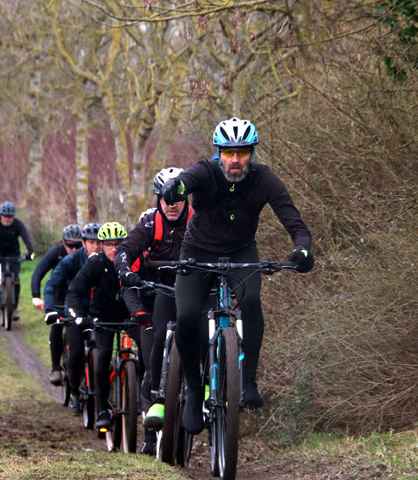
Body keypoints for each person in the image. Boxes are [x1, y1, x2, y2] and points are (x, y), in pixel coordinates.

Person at [160, 117, 315, 434]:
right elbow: (186, 181)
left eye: (242, 152)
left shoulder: (264, 179)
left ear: (251, 154)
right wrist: (175, 189)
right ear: (218, 152)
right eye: (228, 152)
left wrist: (302, 249)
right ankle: (192, 389)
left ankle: (248, 384)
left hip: (241, 252)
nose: (234, 160)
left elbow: (293, 220)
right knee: (187, 316)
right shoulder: (205, 171)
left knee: (252, 299)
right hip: (197, 252)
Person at [114, 167, 193, 455]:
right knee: (157, 342)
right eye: (166, 199)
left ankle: (207, 386)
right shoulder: (149, 223)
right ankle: (150, 431)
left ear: (187, 198)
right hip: (163, 292)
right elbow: (125, 250)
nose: (172, 204)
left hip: (195, 290)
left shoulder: (201, 220)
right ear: (158, 198)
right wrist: (124, 271)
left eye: (178, 199)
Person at [64, 222, 135, 430]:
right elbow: (74, 291)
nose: (114, 249)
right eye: (109, 244)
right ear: (102, 246)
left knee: (147, 353)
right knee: (102, 356)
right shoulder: (95, 263)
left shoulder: (133, 260)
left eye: (118, 244)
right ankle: (102, 409)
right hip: (102, 318)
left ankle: (141, 394)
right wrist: (80, 317)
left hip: (130, 316)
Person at [42, 222, 102, 408]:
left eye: (99, 242)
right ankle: (75, 392)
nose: (96, 246)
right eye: (91, 242)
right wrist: (50, 308)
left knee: (102, 352)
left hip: (98, 311)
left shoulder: (108, 261)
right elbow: (51, 284)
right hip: (75, 310)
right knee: (75, 352)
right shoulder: (72, 260)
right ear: (84, 243)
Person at [30, 224, 84, 385]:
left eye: (78, 245)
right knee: (57, 325)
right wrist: (36, 296)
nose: (74, 249)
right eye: (70, 245)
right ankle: (56, 368)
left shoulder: (85, 256)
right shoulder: (56, 252)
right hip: (59, 295)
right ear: (63, 243)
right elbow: (38, 272)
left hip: (78, 296)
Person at [0, 201, 35, 321]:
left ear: (14, 216)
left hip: (13, 252)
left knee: (15, 280)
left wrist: (31, 253)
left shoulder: (18, 224)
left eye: (10, 217)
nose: (8, 219)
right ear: (1, 215)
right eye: (5, 216)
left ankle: (14, 307)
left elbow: (26, 237)